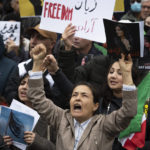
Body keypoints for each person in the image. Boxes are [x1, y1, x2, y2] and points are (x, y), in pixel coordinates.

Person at [27, 44, 137, 150]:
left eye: (84, 95)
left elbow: (128, 112)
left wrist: (126, 75)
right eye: (74, 95)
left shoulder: (104, 125)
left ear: (95, 106)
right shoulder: (61, 118)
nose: (77, 98)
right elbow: (37, 98)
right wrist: (37, 64)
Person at [4, 24, 66, 107]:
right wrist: (26, 103)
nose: (33, 41)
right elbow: (9, 93)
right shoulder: (21, 67)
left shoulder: (58, 70)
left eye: (40, 38)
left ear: (52, 44)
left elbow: (59, 100)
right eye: (32, 36)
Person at [3, 74, 56, 150]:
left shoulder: (52, 117)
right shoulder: (9, 112)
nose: (24, 87)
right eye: (22, 83)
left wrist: (37, 141)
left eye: (30, 84)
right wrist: (4, 143)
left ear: (42, 90)